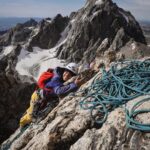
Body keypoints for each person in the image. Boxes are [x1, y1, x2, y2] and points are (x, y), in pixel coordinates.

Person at [19, 63, 84, 128]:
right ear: (64, 70)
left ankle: (29, 111)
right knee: (30, 117)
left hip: (44, 97)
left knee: (33, 109)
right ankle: (21, 123)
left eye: (69, 75)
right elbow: (58, 91)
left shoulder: (60, 75)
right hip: (37, 97)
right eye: (66, 72)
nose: (66, 75)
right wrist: (74, 85)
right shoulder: (57, 78)